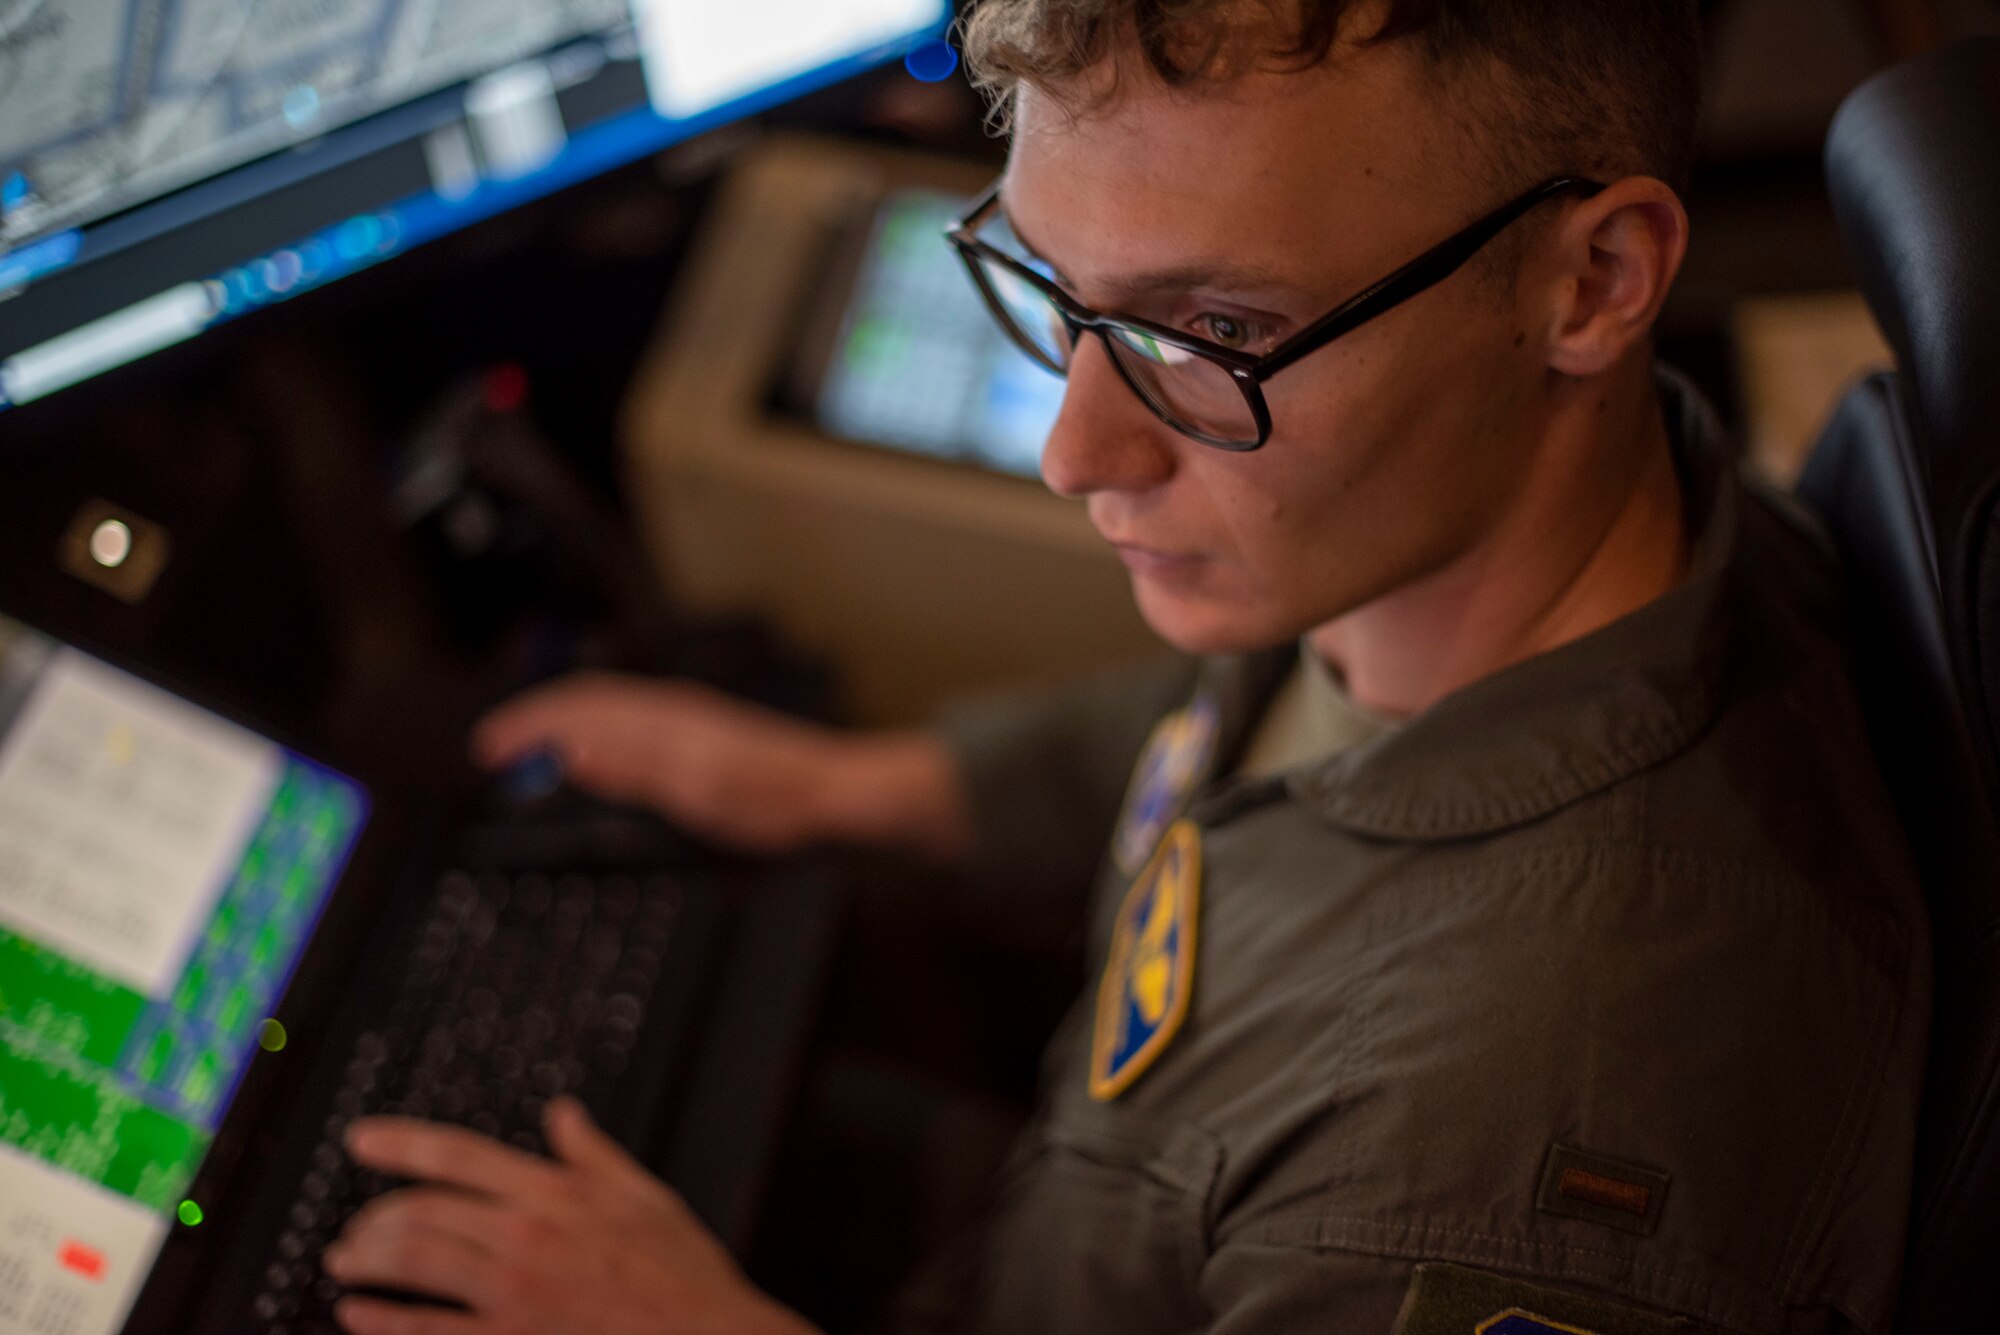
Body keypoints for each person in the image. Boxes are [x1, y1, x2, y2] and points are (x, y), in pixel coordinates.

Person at [319, 1, 1930, 1331]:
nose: (1076, 452)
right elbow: (1231, 740)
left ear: (1594, 283)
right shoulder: (1477, 550)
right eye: (1054, 293)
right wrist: (858, 785)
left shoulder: (1485, 1169)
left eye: (1208, 330)